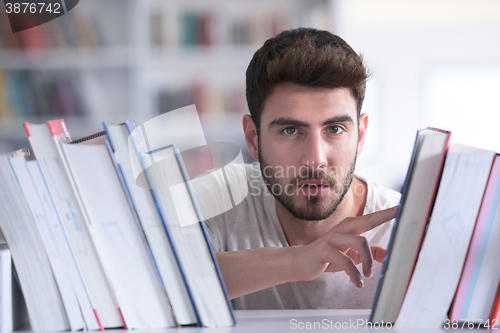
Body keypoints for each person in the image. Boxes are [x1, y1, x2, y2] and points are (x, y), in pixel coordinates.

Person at [194, 27, 401, 310]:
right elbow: (145, 282)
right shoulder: (221, 196)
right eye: (290, 130)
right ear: (253, 139)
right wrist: (296, 261)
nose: (315, 159)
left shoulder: (403, 229)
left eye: (335, 129)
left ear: (361, 136)